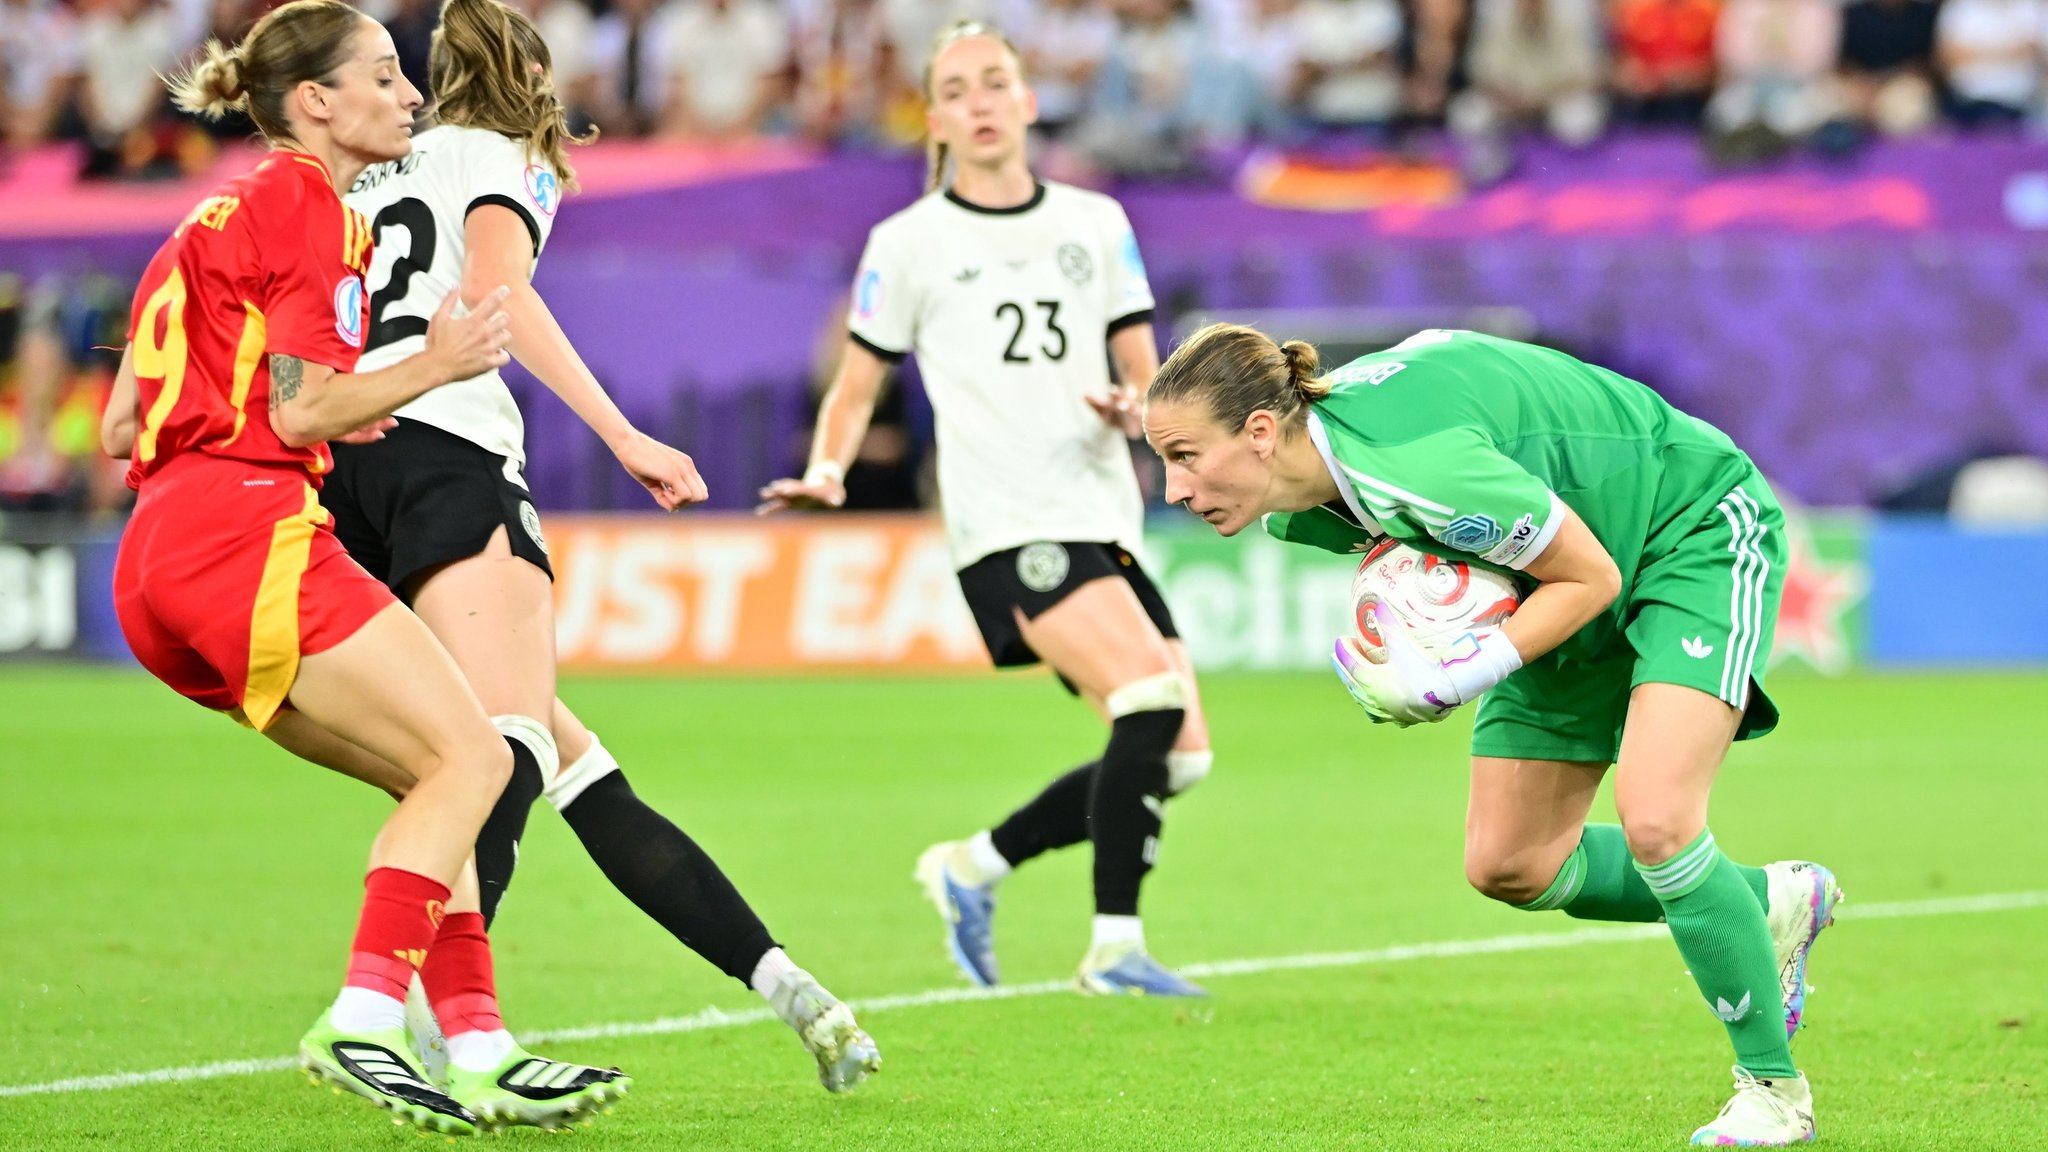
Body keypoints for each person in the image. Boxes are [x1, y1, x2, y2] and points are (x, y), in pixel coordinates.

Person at [325, 0, 879, 1093]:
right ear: (533, 74)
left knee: (573, 770)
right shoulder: (501, 154)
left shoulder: (370, 170)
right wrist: (621, 433)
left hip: (351, 466)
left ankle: (788, 987)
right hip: (448, 459)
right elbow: (495, 292)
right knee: (502, 752)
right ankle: (418, 1026)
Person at [95, 0, 627, 1134]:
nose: (410, 94)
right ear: (314, 104)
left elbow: (116, 423)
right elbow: (302, 412)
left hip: (155, 562)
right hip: (247, 527)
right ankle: (367, 1014)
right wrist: (425, 366)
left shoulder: (204, 215)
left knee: (431, 771)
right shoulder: (313, 206)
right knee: (479, 755)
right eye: (383, 77)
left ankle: (478, 1044)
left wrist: (335, 407)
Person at [1140, 324, 1844, 1146]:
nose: (1171, 488)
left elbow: (1595, 575)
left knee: (1657, 818)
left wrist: (1454, 674)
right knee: (1511, 861)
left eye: (1184, 455)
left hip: (1683, 530)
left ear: (1262, 432)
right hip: (1560, 565)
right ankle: (1765, 902)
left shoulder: (1417, 468)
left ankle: (1772, 1090)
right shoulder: (1305, 503)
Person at [759, 19, 1214, 999]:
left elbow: (1147, 374)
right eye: (955, 88)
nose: (977, 102)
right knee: (1146, 701)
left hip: (1101, 514)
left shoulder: (1095, 224)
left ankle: (972, 867)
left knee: (1178, 756)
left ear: (1026, 100)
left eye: (993, 82)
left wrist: (1138, 409)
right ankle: (1112, 949)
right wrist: (831, 467)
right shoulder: (909, 243)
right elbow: (855, 383)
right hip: (1005, 521)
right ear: (935, 116)